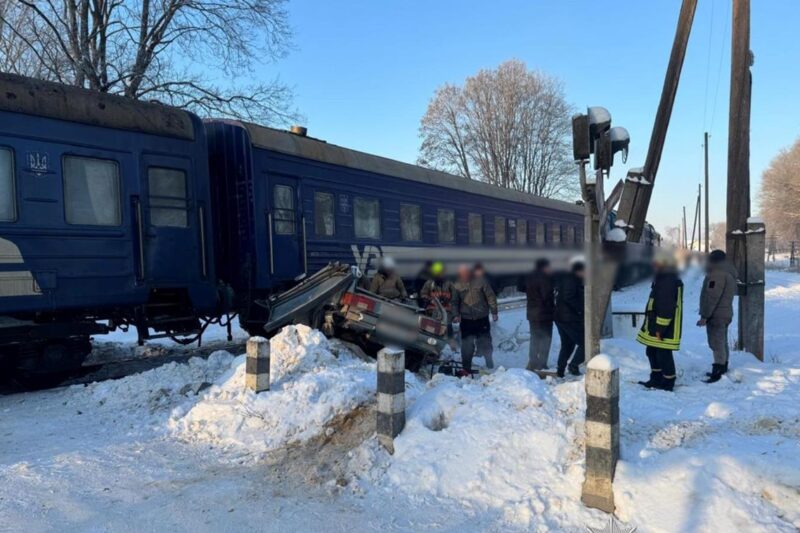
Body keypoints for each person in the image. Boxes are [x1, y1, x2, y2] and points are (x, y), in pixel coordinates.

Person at [636, 253, 683, 392]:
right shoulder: (663, 277)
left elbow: (666, 306)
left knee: (663, 353)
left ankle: (668, 381)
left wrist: (660, 328)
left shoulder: (667, 279)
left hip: (662, 326)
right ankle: (656, 377)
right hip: (655, 322)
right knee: (652, 350)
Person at [698, 249, 737, 383]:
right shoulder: (728, 272)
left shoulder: (717, 274)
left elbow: (712, 296)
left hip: (717, 315)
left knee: (716, 342)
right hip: (725, 313)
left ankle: (718, 370)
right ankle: (723, 366)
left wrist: (705, 316)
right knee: (722, 341)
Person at [452, 263, 498, 373]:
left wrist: (494, 311)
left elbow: (490, 296)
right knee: (467, 344)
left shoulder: (480, 281)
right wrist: (455, 314)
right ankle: (466, 368)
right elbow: (454, 302)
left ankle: (489, 362)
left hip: (482, 317)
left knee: (485, 341)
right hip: (466, 319)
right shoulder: (457, 284)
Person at [520, 258, 555, 371]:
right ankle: (542, 363)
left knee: (534, 338)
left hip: (532, 313)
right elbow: (546, 295)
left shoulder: (529, 277)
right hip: (544, 314)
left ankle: (533, 362)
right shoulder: (545, 278)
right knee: (546, 338)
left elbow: (520, 287)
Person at [554, 258, 585, 377]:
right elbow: (569, 297)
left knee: (567, 344)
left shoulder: (568, 278)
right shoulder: (571, 279)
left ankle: (560, 369)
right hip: (568, 318)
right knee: (585, 343)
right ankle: (573, 365)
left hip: (562, 317)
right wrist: (582, 309)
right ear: (579, 271)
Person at [420, 261, 457, 348]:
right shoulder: (429, 283)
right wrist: (428, 299)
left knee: (447, 324)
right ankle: (430, 343)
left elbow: (455, 297)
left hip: (446, 310)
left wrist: (449, 303)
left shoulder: (449, 284)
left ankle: (451, 344)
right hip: (432, 309)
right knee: (431, 326)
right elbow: (423, 293)